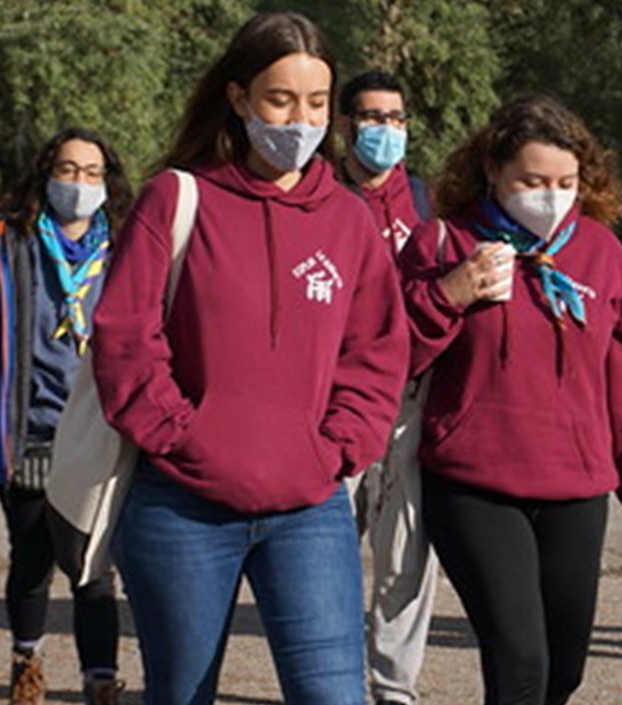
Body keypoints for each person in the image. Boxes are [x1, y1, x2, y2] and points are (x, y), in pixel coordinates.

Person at [90, 12, 409, 705]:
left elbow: (376, 351)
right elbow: (123, 338)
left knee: (334, 696)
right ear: (239, 98)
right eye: (280, 99)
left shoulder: (349, 219)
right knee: (181, 694)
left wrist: (338, 447)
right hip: (183, 505)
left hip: (311, 504)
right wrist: (183, 436)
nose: (301, 120)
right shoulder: (175, 198)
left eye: (318, 103)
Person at [398, 94, 622, 705]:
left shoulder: (603, 253)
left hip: (575, 486)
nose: (549, 195)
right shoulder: (442, 243)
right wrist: (450, 293)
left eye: (565, 182)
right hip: (473, 484)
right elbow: (388, 353)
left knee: (562, 670)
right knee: (520, 660)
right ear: (493, 170)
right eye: (532, 180)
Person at [0, 127, 132, 705]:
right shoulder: (7, 245)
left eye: (92, 173)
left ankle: (99, 681)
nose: (79, 184)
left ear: (108, 182)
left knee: (93, 567)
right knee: (30, 562)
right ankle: (27, 662)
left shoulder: (127, 248)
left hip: (98, 437)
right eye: (68, 170)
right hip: (25, 430)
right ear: (46, 174)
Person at [335, 69, 436, 705]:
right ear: (345, 127)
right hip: (334, 394)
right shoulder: (318, 196)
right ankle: (333, 674)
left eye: (396, 119)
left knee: (407, 546)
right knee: (326, 544)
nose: (386, 131)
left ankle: (394, 688)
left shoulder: (427, 200)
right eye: (373, 119)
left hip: (411, 395)